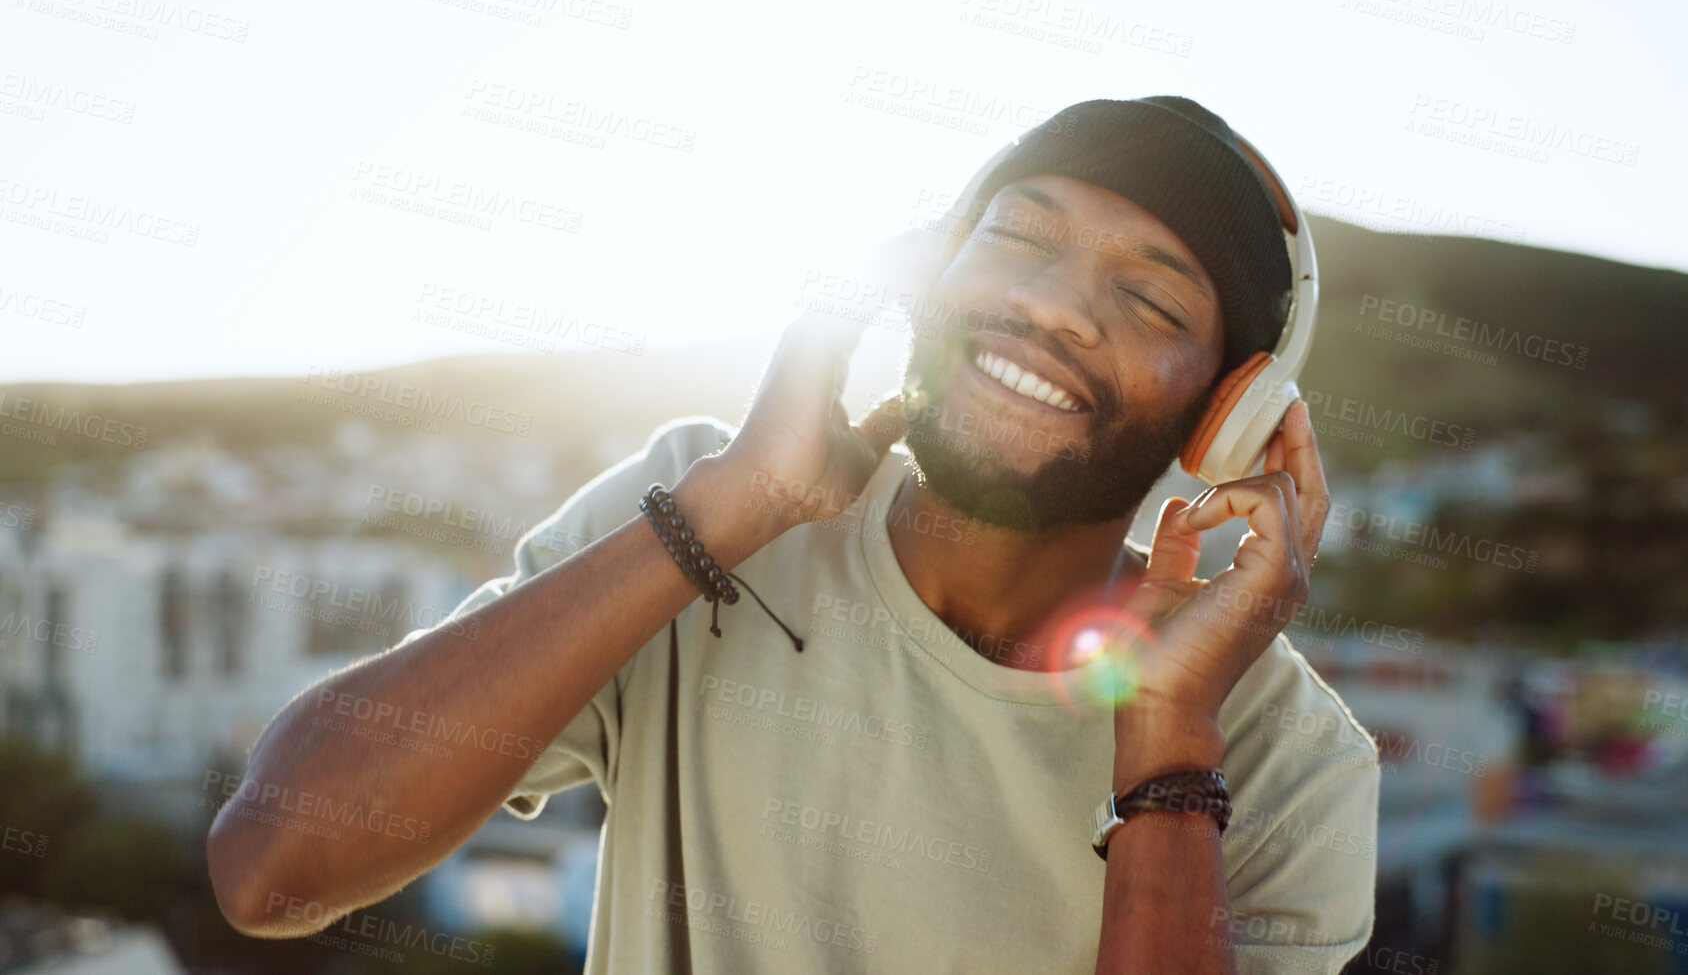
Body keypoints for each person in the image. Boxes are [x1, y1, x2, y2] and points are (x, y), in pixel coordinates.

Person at [207, 95, 1380, 974]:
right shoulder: (694, 509)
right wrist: (731, 506)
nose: (1053, 304)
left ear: (1231, 415)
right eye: (1019, 238)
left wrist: (1171, 738)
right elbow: (274, 867)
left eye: (1152, 298)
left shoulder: (1293, 761)